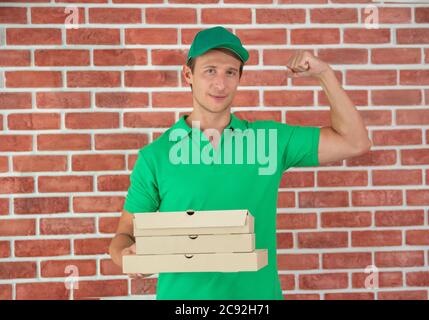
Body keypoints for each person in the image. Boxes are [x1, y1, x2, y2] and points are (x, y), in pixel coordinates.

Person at [109, 26, 372, 300]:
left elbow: (355, 142)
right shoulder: (156, 157)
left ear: (239, 78)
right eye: (210, 70)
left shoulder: (269, 141)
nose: (220, 84)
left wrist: (324, 75)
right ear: (188, 75)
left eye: (230, 72)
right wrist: (126, 255)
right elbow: (124, 235)